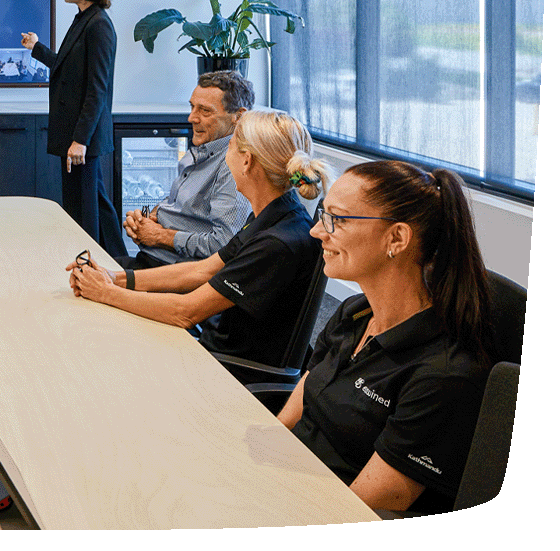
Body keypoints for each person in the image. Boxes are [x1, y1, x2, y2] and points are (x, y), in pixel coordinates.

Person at [277, 160, 493, 514]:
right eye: (323, 215)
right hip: (286, 483)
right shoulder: (354, 313)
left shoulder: (445, 373)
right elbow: (290, 418)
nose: (317, 231)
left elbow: (358, 507)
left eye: (338, 219)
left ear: (397, 238)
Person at [68, 110, 330, 369]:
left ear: (247, 161)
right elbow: (202, 270)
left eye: (230, 146)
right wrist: (115, 278)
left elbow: (185, 311)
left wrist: (105, 292)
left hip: (228, 370)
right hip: (216, 344)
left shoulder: (276, 242)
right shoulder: (279, 213)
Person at [22, 0, 126, 257]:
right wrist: (37, 48)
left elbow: (97, 89)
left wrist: (80, 140)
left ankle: (87, 263)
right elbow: (67, 68)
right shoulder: (84, 19)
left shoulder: (99, 27)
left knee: (83, 209)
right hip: (76, 132)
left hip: (83, 136)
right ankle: (117, 259)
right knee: (96, 201)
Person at [119, 71, 255, 269]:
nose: (192, 118)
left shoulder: (234, 166)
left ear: (238, 116)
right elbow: (173, 203)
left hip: (172, 270)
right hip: (151, 258)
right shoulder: (204, 148)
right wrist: (145, 217)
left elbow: (225, 244)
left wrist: (159, 236)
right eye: (192, 107)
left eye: (205, 111)